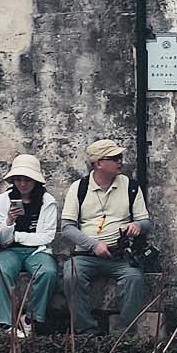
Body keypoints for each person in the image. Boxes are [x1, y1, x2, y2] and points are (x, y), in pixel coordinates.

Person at [65, 137, 153, 336]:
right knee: (71, 274)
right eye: (114, 158)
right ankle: (86, 331)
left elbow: (146, 222)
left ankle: (124, 334)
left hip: (120, 255)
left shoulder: (130, 186)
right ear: (98, 164)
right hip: (86, 255)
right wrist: (93, 244)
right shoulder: (78, 188)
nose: (120, 161)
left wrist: (137, 225)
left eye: (120, 157)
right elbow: (68, 227)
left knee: (134, 278)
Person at [0, 152, 63, 337]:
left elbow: (46, 237)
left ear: (35, 181)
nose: (22, 184)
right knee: (1, 271)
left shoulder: (48, 202)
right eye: (18, 180)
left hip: (37, 251)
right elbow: (2, 239)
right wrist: (9, 221)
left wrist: (18, 236)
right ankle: (6, 323)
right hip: (9, 250)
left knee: (48, 272)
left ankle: (31, 318)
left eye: (27, 180)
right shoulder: (4, 200)